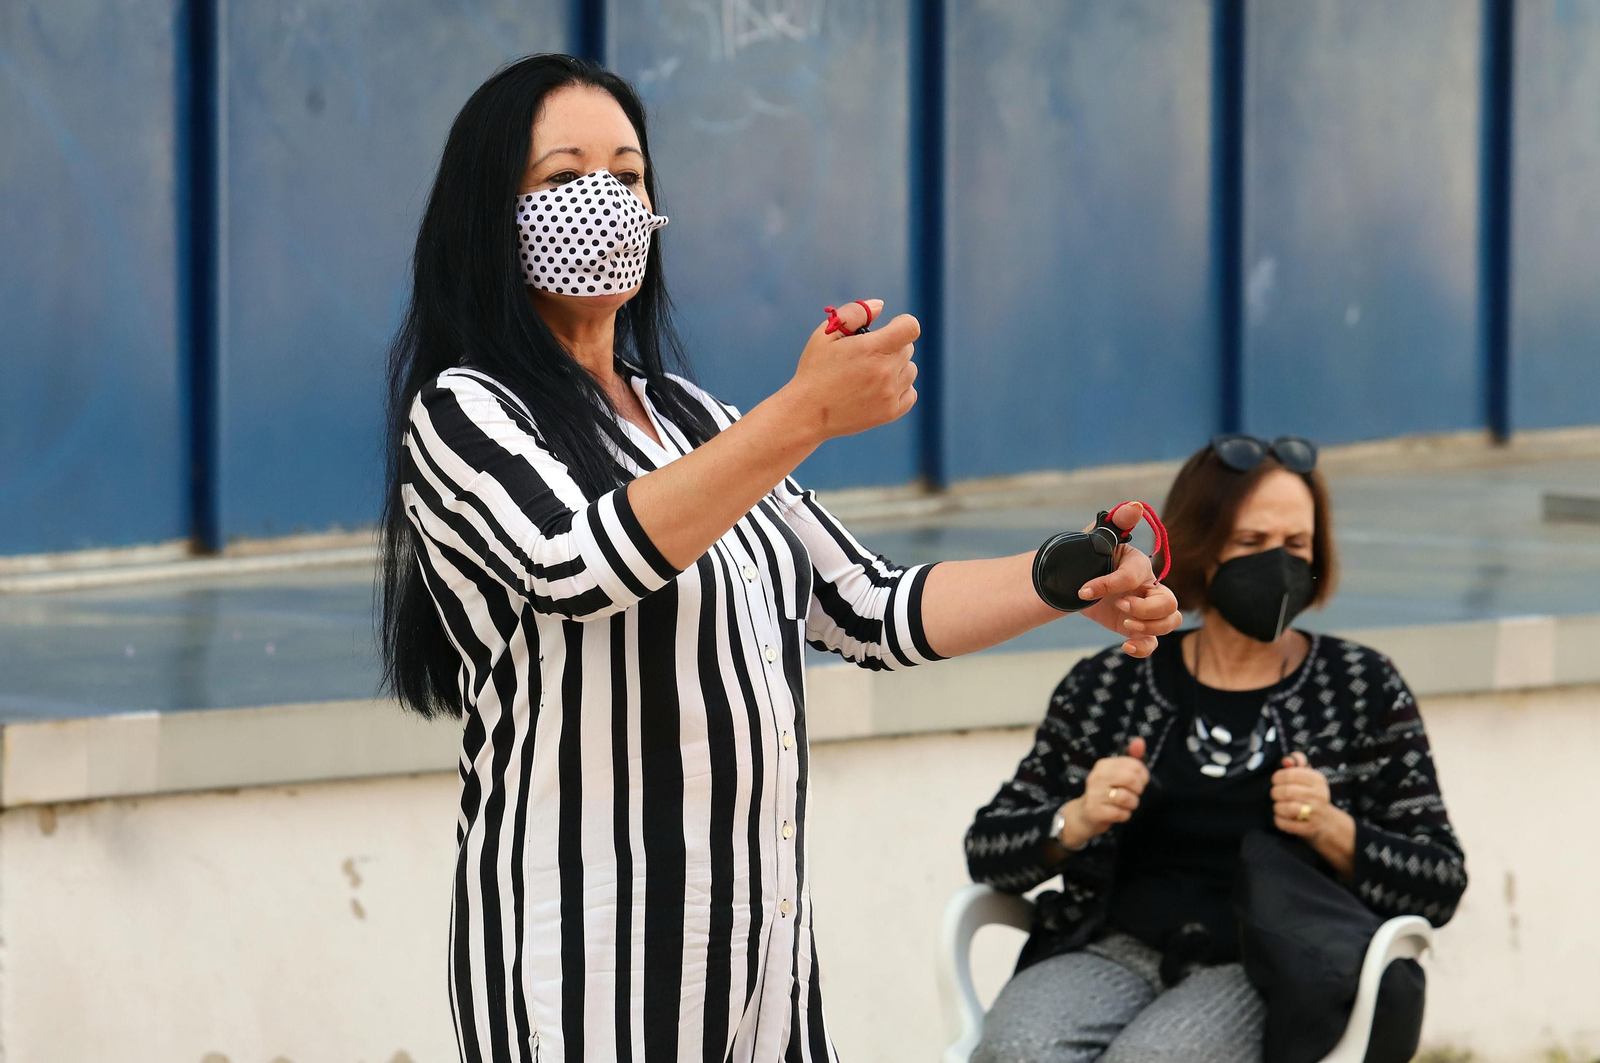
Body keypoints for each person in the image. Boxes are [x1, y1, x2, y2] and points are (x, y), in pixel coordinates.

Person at [376, 54, 1182, 1063]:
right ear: (489, 212)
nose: (605, 201)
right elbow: (580, 563)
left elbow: (870, 607)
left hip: (756, 945)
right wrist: (803, 413)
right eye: (561, 176)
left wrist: (1067, 576)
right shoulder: (465, 408)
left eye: (627, 176)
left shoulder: (692, 419)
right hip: (582, 949)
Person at [964, 435, 1468, 1063]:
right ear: (1201, 548)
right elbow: (988, 851)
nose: (1277, 567)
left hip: (1266, 964)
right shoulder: (1115, 679)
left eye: (1297, 546)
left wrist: (1334, 829)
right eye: (1252, 544)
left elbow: (1439, 883)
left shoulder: (1361, 686)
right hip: (1109, 945)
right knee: (1017, 1052)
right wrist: (1076, 820)